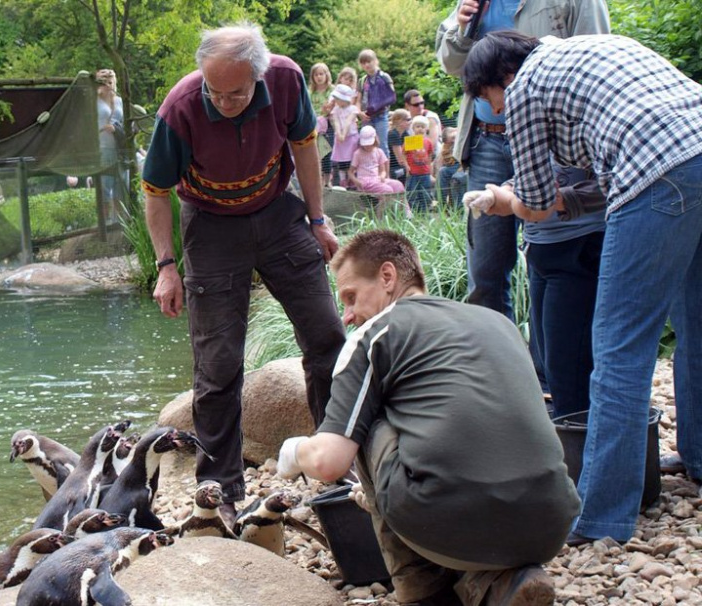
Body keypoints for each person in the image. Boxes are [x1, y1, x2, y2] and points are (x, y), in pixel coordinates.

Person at [462, 30, 702, 545]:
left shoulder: (524, 89)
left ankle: (602, 516)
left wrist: (503, 200)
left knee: (618, 346)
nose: (492, 113)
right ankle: (699, 455)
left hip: (659, 171)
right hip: (694, 147)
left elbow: (538, 205)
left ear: (500, 78)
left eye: (486, 101)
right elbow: (594, 185)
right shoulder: (592, 49)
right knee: (697, 321)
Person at [277, 229, 579, 606]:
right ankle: (498, 582)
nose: (348, 315)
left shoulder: (376, 333)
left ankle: (422, 589)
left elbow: (328, 462)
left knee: (363, 421)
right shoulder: (496, 322)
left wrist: (293, 452)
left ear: (388, 277)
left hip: (444, 521)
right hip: (551, 523)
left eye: (352, 297)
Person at [141, 22, 346, 523]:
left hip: (277, 213)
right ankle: (220, 486)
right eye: (215, 90)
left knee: (327, 338)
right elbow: (155, 191)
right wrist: (167, 267)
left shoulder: (287, 80)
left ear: (258, 75)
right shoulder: (181, 107)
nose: (224, 101)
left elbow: (302, 147)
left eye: (235, 93)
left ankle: (336, 466)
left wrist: (316, 219)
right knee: (218, 363)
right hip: (210, 227)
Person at [436, 0, 610, 321]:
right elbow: (453, 66)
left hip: (556, 134)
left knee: (555, 256)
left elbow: (596, 56)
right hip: (486, 138)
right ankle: (497, 363)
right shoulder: (476, 3)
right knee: (485, 268)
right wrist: (461, 31)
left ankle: (549, 360)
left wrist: (516, 198)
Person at [464, 165, 605, 418]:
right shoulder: (538, 131)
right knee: (550, 357)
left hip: (580, 246)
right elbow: (532, 171)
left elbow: (606, 181)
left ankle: (577, 441)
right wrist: (502, 193)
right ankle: (565, 429)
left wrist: (539, 200)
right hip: (540, 249)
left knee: (568, 365)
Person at [348, 126, 408, 219]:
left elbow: (383, 170)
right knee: (387, 190)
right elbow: (350, 172)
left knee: (398, 185)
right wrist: (356, 181)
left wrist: (383, 176)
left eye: (369, 143)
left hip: (377, 179)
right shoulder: (358, 153)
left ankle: (404, 213)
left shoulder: (379, 151)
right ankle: (381, 217)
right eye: (365, 143)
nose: (367, 146)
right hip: (365, 181)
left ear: (375, 139)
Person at [96, 68, 126, 221]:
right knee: (104, 188)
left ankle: (121, 225)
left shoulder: (120, 100)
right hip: (103, 148)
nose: (108, 84)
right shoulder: (94, 100)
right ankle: (105, 225)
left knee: (122, 187)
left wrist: (116, 129)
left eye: (110, 81)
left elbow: (125, 123)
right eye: (103, 81)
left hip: (120, 148)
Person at [357, 49, 396, 160]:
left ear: (375, 61)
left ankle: (385, 174)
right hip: (366, 116)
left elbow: (391, 96)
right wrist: (360, 113)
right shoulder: (362, 80)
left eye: (369, 61)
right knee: (366, 145)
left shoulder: (384, 77)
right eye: (363, 63)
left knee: (382, 145)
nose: (367, 65)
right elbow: (358, 100)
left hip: (381, 115)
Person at [328, 84, 360, 189]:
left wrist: (344, 134)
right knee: (342, 161)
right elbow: (336, 121)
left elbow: (348, 122)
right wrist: (339, 134)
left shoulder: (353, 109)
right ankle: (343, 181)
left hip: (351, 138)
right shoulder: (336, 109)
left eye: (337, 98)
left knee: (351, 160)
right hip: (340, 139)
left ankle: (352, 180)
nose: (335, 100)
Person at [307, 62, 334, 185]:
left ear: (326, 75)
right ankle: (318, 179)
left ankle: (328, 181)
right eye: (316, 74)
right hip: (314, 126)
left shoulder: (331, 90)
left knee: (327, 153)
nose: (319, 77)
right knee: (317, 154)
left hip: (328, 126)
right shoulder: (310, 92)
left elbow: (333, 106)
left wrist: (328, 110)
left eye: (321, 74)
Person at [403, 89, 441, 173]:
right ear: (407, 106)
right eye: (416, 104)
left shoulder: (430, 118)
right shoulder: (407, 119)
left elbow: (432, 144)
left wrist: (409, 144)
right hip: (414, 161)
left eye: (422, 103)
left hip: (433, 159)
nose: (420, 107)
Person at [404, 116, 435, 212]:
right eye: (417, 126)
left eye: (422, 126)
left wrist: (430, 171)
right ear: (413, 128)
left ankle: (424, 211)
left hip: (425, 173)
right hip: (413, 173)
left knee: (425, 192)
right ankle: (414, 212)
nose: (420, 129)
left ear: (426, 129)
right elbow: (404, 154)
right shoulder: (411, 140)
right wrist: (407, 167)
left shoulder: (428, 142)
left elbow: (429, 156)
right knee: (413, 193)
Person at [437, 127, 466, 209]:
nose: (453, 141)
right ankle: (441, 203)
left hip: (463, 166)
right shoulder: (446, 146)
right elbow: (446, 161)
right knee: (442, 171)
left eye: (454, 138)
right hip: (454, 166)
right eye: (451, 141)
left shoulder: (464, 138)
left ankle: (458, 208)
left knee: (456, 178)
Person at [387, 109, 411, 184]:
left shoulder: (405, 133)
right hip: (393, 168)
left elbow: (411, 152)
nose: (410, 122)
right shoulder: (393, 134)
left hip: (403, 165)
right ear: (399, 121)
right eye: (408, 120)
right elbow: (400, 159)